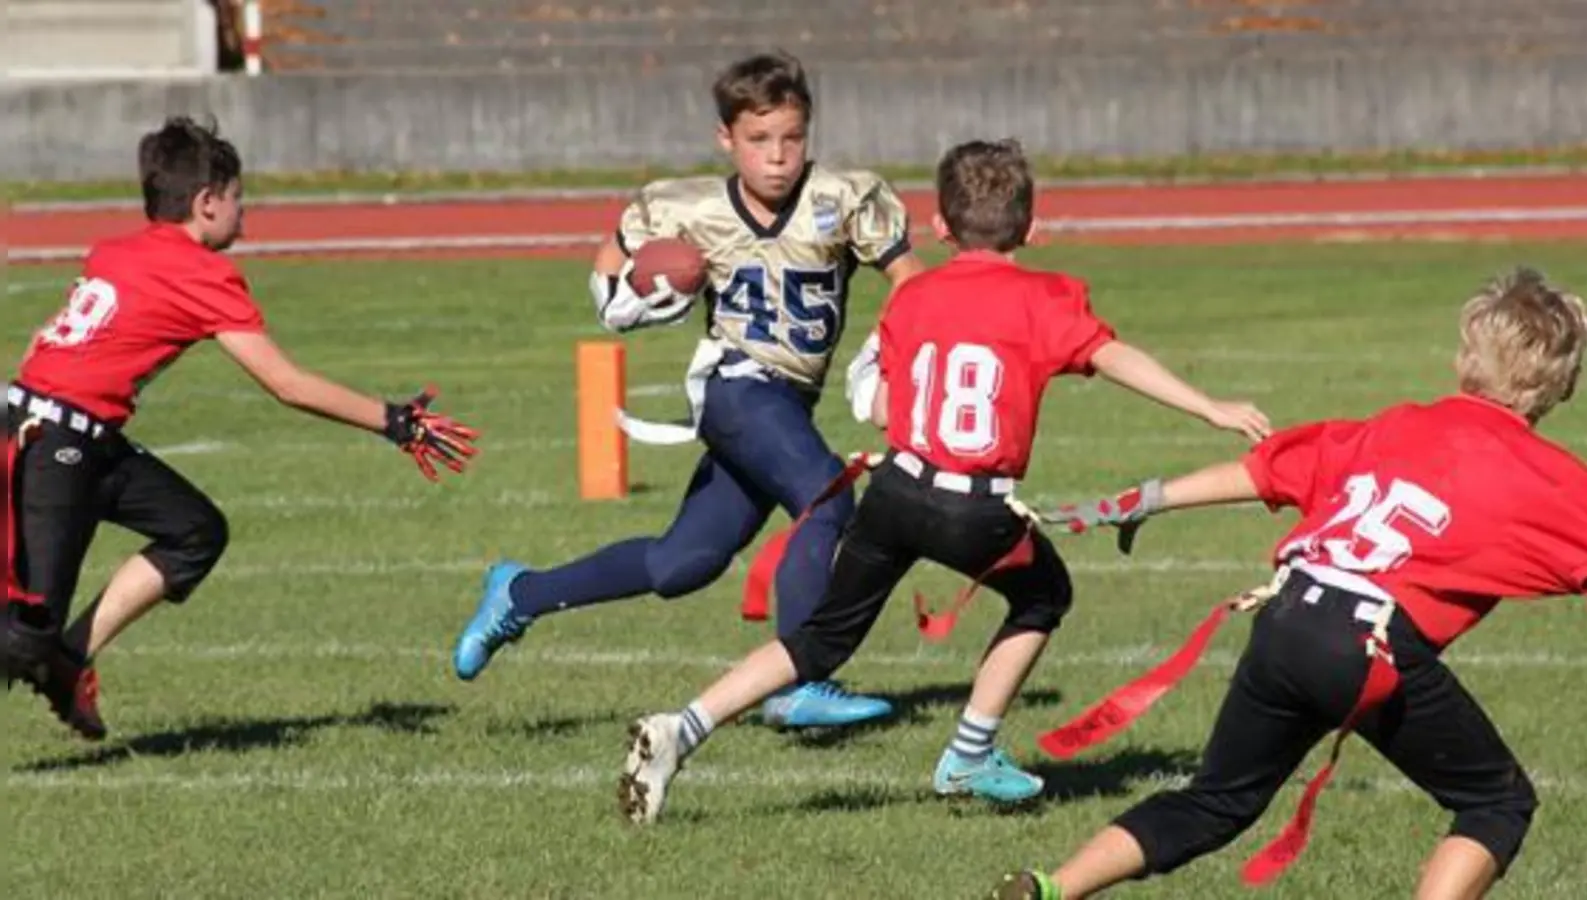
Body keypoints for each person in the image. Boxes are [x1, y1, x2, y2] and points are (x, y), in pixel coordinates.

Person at [613, 137, 1271, 824]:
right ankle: (970, 751)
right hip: (972, 509)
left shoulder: (915, 294)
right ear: (1032, 227)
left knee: (818, 643)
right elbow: (1114, 357)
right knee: (1045, 595)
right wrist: (1209, 406)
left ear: (940, 227)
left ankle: (682, 726)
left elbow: (875, 399)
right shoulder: (1047, 296)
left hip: (894, 493)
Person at [987, 268, 1587, 900]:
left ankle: (1050, 886)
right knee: (1496, 802)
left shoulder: (1395, 424)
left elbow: (1265, 473)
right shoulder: (1544, 475)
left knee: (1215, 801)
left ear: (1464, 357)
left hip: (1285, 616)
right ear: (1561, 383)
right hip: (1365, 641)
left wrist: (1148, 499)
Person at [451, 50, 925, 730]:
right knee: (827, 497)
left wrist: (895, 362)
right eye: (759, 140)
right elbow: (609, 275)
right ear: (725, 139)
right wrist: (629, 303)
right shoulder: (686, 206)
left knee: (683, 564)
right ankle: (800, 678)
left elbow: (911, 283)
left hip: (787, 403)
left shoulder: (845, 197)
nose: (778, 156)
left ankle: (520, 592)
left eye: (792, 137)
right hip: (734, 387)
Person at [1, 116, 478, 741]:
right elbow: (285, 383)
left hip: (56, 430)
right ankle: (50, 656)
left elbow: (46, 338)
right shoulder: (202, 273)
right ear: (206, 202)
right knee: (19, 637)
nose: (244, 219)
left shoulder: (115, 250)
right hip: (56, 447)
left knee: (193, 529)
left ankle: (69, 663)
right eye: (236, 202)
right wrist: (395, 422)